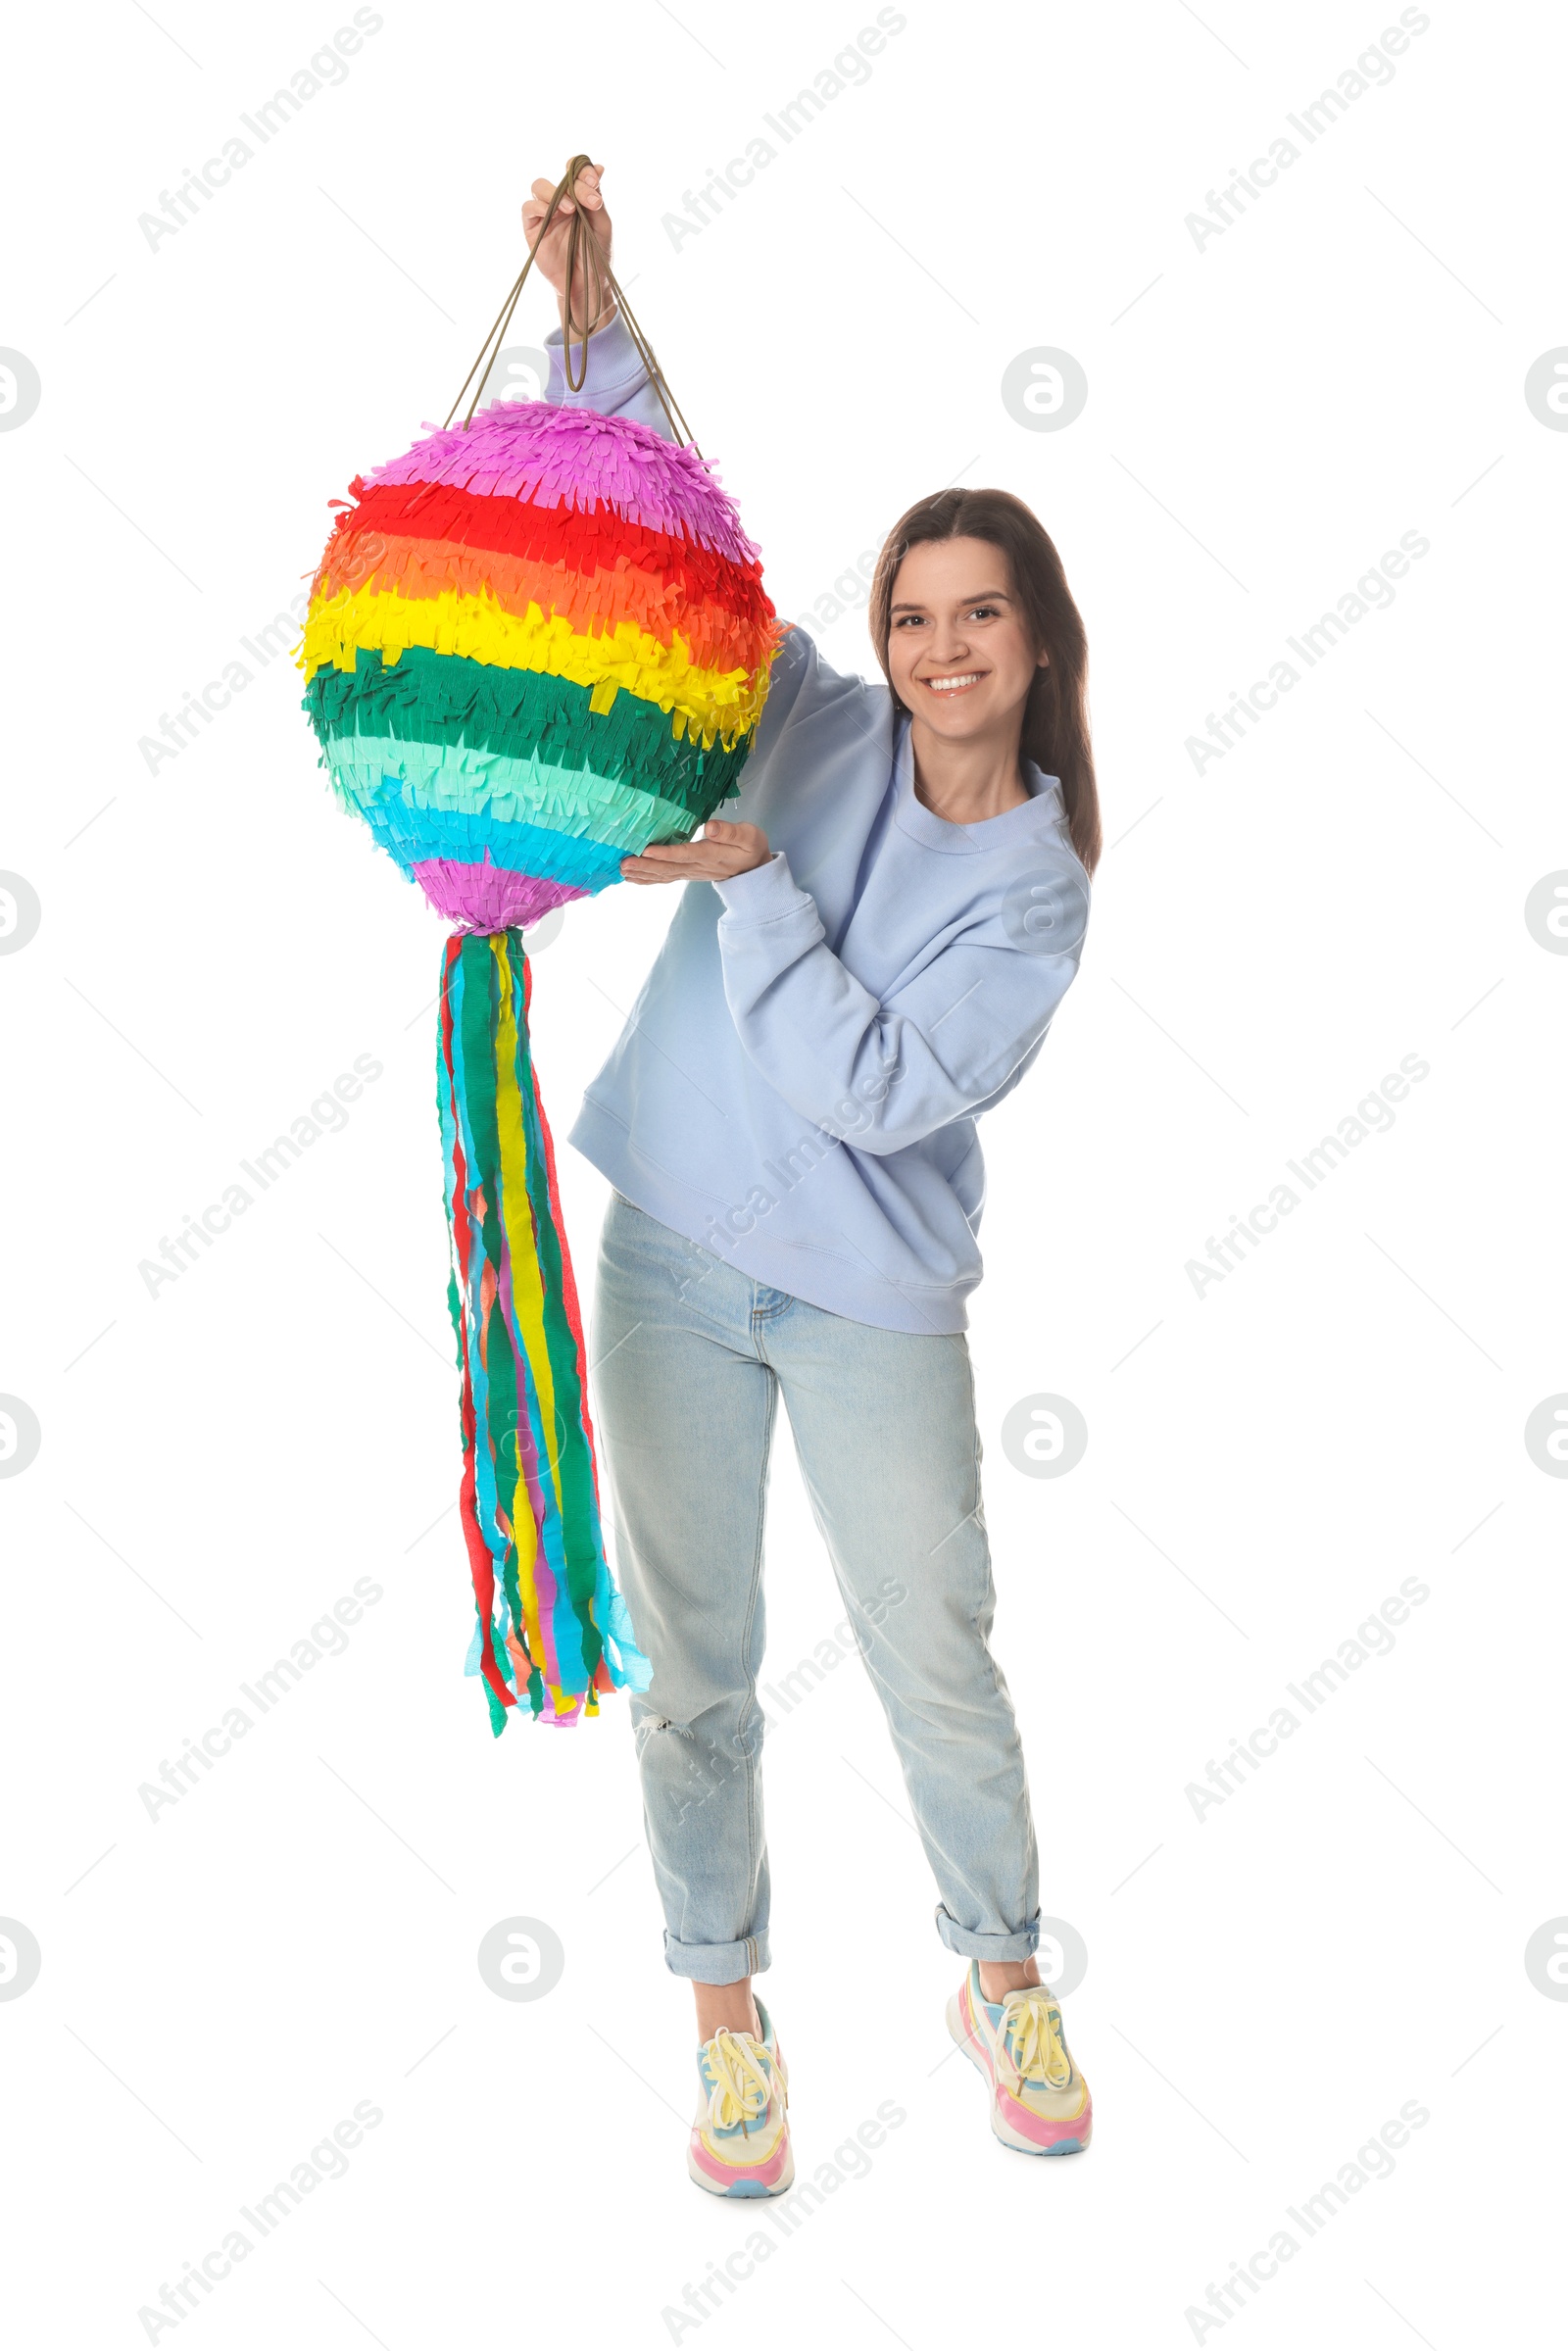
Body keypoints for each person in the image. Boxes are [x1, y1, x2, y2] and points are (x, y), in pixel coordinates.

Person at [521, 162, 1100, 2192]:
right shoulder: (802, 714)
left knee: (932, 1649)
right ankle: (722, 2008)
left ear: (1034, 648)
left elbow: (871, 1086)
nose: (938, 649)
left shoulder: (1035, 893)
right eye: (910, 616)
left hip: (864, 1305)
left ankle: (999, 1967)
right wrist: (594, 316)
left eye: (977, 618)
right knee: (695, 1667)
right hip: (670, 1253)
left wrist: (749, 883)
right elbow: (672, 530)